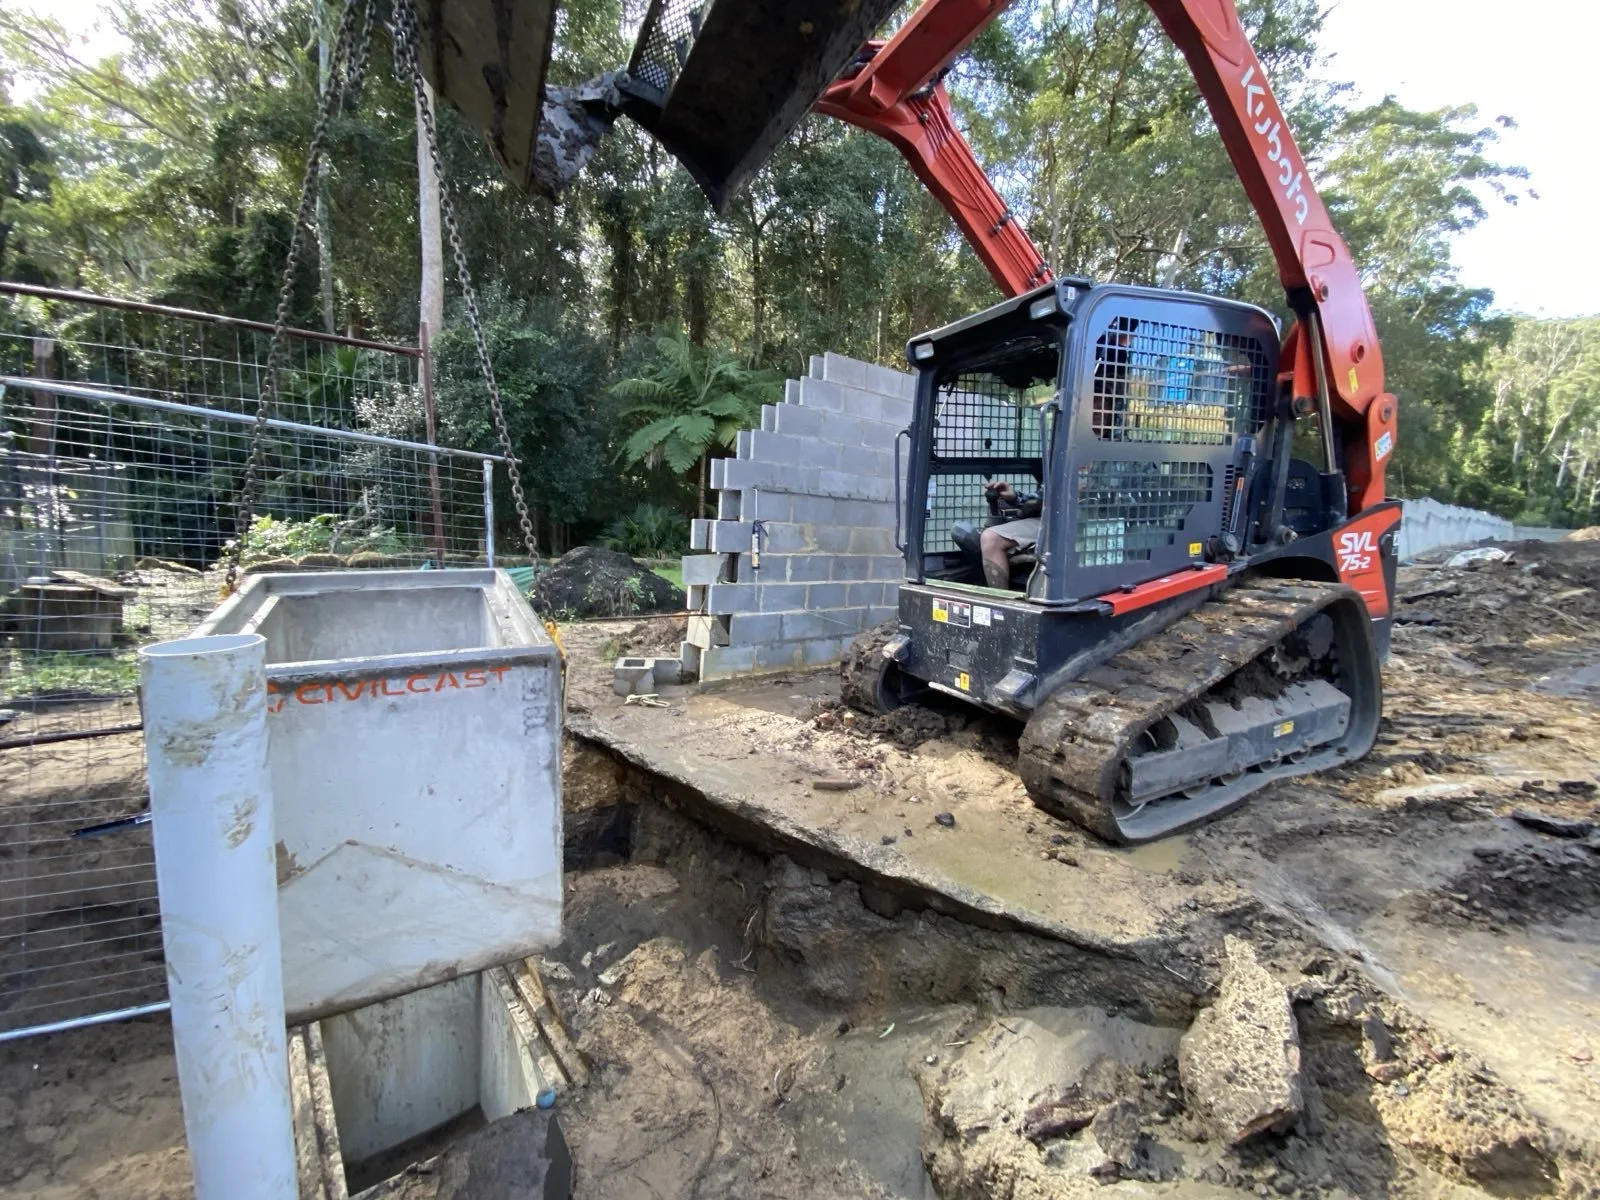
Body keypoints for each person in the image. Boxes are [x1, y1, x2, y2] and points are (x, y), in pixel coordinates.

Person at [978, 480, 1040, 590]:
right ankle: (999, 600)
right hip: (1050, 519)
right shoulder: (1057, 469)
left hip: (1076, 522)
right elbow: (1042, 497)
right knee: (991, 538)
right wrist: (1014, 497)